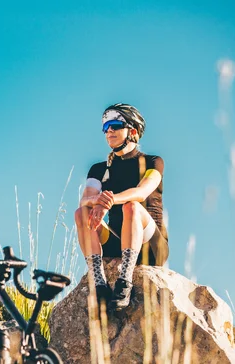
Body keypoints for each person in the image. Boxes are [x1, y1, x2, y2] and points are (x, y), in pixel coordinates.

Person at [74, 103, 169, 312]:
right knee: (81, 213)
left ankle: (124, 282)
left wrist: (110, 199)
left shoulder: (153, 162)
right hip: (117, 241)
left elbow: (142, 192)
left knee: (132, 207)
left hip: (150, 245)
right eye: (105, 127)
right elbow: (85, 200)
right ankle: (99, 284)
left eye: (115, 125)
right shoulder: (99, 169)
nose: (109, 131)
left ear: (132, 131)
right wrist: (98, 202)